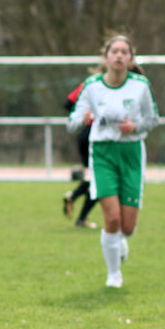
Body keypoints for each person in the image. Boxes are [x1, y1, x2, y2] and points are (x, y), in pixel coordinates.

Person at [66, 33, 159, 288]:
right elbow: (71, 122)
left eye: (124, 52)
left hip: (131, 154)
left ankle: (120, 241)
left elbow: (153, 119)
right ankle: (113, 274)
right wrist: (82, 119)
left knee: (127, 227)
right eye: (114, 51)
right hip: (103, 153)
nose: (119, 55)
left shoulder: (140, 85)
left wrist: (136, 126)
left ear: (131, 58)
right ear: (105, 57)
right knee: (113, 220)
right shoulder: (92, 86)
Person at [62, 80, 99, 229]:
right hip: (96, 136)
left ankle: (73, 197)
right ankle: (81, 217)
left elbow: (68, 104)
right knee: (98, 180)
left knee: (92, 177)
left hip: (84, 134)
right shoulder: (99, 84)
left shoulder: (87, 83)